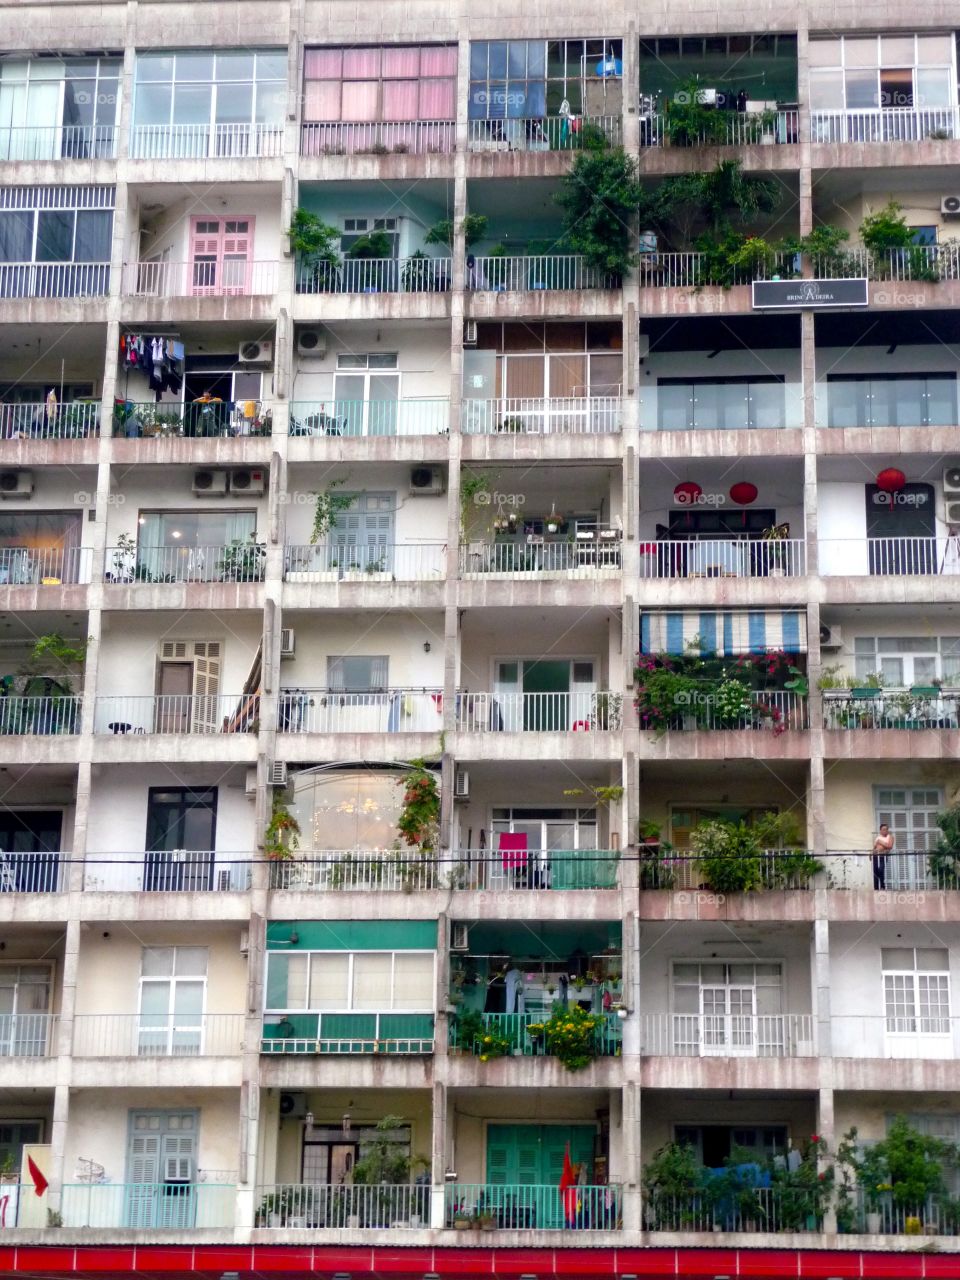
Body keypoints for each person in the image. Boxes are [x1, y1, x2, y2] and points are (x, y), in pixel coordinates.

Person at [873, 822, 895, 889]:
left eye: (886, 829)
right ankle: (876, 887)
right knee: (875, 872)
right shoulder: (878, 838)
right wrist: (870, 855)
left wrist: (880, 842)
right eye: (883, 829)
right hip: (875, 856)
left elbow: (890, 846)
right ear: (880, 830)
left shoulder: (890, 837)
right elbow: (874, 847)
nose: (885, 831)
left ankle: (882, 886)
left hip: (883, 856)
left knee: (881, 870)